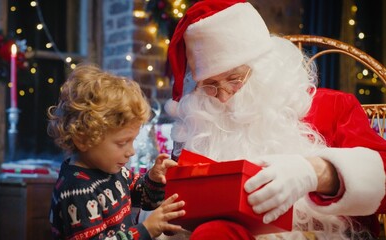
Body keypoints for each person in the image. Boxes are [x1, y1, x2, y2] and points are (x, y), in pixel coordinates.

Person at [164, 0, 386, 239]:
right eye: (210, 86)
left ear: (265, 67)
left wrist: (316, 172)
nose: (224, 96)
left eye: (234, 78)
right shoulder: (205, 126)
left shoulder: (332, 106)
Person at [47, 64, 186, 240]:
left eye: (132, 141)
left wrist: (154, 178)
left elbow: (143, 198)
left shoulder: (113, 170)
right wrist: (146, 230)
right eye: (122, 143)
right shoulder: (76, 189)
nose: (131, 152)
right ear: (83, 139)